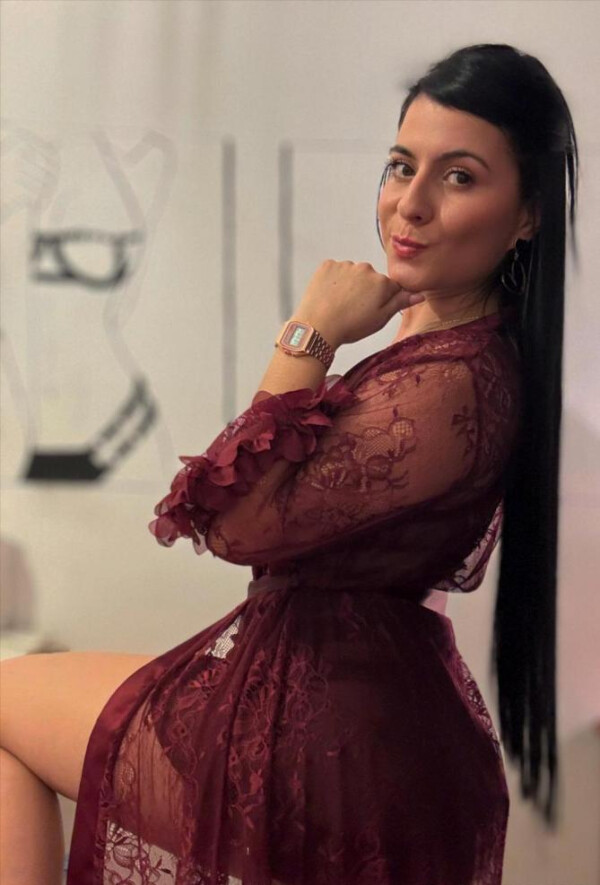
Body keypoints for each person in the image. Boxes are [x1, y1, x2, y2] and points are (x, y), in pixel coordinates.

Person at [0, 42, 578, 885]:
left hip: (329, 742)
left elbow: (235, 523)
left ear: (527, 214)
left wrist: (310, 332)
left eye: (458, 177)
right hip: (337, 706)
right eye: (401, 166)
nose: (410, 204)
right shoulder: (437, 336)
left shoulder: (455, 382)